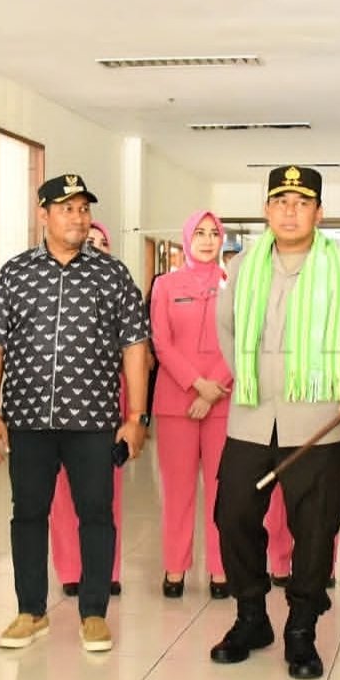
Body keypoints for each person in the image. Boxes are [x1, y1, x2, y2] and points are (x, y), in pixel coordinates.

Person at [212, 165, 340, 680]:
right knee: (233, 515)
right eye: (281, 201)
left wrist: (327, 388)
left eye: (302, 202)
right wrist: (254, 379)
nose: (290, 211)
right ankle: (251, 616)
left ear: (319, 212)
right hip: (250, 417)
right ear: (266, 210)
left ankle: (302, 629)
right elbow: (226, 329)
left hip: (318, 422)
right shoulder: (241, 266)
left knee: (315, 528)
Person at [0, 173, 149, 654]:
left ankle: (94, 613)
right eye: (67, 208)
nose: (78, 217)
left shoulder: (112, 275)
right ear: (43, 215)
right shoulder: (16, 273)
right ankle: (30, 611)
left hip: (93, 422)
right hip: (28, 420)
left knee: (96, 514)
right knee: (28, 514)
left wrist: (136, 416)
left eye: (83, 208)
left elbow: (135, 347)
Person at [151, 210, 231, 598]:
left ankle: (220, 569)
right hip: (176, 401)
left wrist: (214, 387)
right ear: (186, 238)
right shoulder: (165, 285)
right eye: (199, 233)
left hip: (224, 400)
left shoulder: (234, 285)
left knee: (222, 490)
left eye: (213, 233)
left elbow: (244, 338)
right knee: (178, 490)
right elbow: (161, 342)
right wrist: (197, 384)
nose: (207, 240)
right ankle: (175, 567)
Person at [49, 220, 124, 598]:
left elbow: (136, 354)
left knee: (107, 494)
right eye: (88, 241)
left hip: (107, 405)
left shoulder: (120, 290)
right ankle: (70, 568)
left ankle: (106, 569)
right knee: (62, 492)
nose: (93, 247)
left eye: (101, 243)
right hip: (57, 404)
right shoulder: (52, 289)